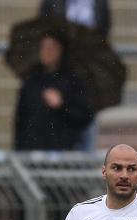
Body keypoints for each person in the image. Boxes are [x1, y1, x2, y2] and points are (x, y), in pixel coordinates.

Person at [38, 0, 112, 151]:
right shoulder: (53, 3)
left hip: (87, 72)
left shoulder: (99, 3)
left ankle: (83, 167)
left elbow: (104, 30)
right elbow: (44, 27)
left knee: (86, 120)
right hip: (61, 73)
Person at [14, 32, 93, 151]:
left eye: (52, 47)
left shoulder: (73, 80)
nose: (47, 52)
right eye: (44, 47)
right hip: (33, 150)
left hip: (63, 150)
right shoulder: (31, 80)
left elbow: (84, 116)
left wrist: (61, 105)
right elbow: (21, 118)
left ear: (60, 50)